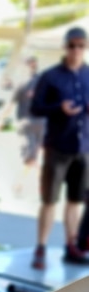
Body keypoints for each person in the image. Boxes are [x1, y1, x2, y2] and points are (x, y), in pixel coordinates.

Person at [29, 27, 89, 269]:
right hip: (57, 148)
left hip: (83, 148)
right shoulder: (50, 76)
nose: (76, 50)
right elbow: (35, 108)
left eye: (81, 45)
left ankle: (70, 246)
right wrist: (58, 107)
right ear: (65, 47)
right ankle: (41, 247)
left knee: (75, 201)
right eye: (72, 45)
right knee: (49, 201)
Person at [0, 56, 44, 194]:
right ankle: (30, 183)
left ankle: (30, 183)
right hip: (43, 123)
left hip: (26, 124)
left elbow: (10, 104)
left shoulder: (22, 84)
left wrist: (1, 119)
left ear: (26, 66)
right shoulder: (44, 82)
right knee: (34, 156)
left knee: (29, 157)